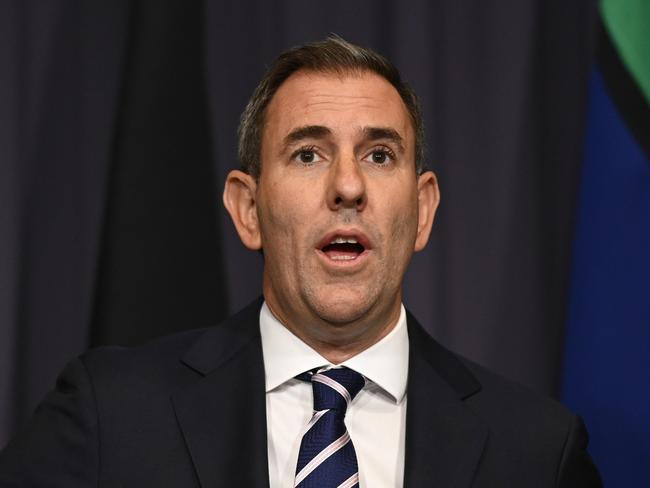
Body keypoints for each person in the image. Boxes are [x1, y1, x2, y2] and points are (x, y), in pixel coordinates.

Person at [0, 36, 601, 487]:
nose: (347, 186)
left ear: (421, 211)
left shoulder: (536, 452)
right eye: (309, 153)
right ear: (248, 209)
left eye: (381, 155)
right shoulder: (111, 416)